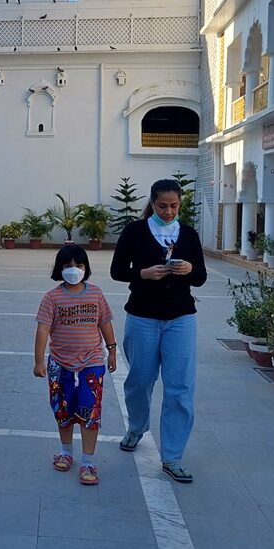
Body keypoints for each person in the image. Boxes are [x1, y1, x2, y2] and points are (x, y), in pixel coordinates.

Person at [109, 178, 207, 483]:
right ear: (151, 202)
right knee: (139, 381)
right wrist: (142, 273)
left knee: (180, 388)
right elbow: (116, 270)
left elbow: (201, 276)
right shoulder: (135, 231)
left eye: (174, 206)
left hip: (180, 318)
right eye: (162, 205)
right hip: (142, 317)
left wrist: (189, 270)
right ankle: (137, 426)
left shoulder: (188, 234)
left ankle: (173, 456)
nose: (168, 211)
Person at [34, 244, 117, 485]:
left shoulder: (96, 294)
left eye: (79, 265)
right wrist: (39, 361)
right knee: (63, 409)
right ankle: (66, 451)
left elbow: (105, 324)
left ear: (86, 268)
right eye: (68, 266)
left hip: (92, 363)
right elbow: (43, 329)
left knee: (90, 411)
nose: (73, 270)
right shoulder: (52, 298)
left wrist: (112, 351)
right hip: (60, 365)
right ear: (59, 269)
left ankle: (89, 462)